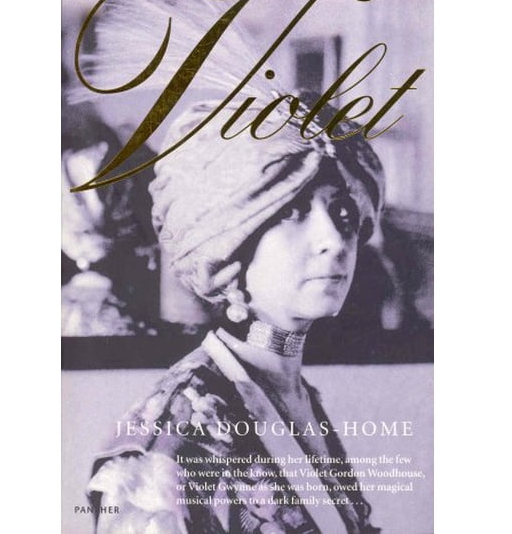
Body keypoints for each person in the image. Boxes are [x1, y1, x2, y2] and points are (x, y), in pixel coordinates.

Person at [86, 97, 385, 533]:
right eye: (293, 212)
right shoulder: (175, 430)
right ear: (229, 246)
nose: (335, 241)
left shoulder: (301, 397)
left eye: (342, 212)